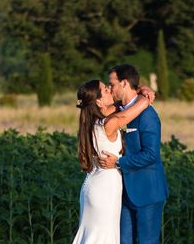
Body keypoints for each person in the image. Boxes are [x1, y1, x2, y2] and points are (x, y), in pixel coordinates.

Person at [72, 78, 155, 244]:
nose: (110, 90)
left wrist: (139, 88)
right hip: (104, 190)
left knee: (93, 237)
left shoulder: (91, 122)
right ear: (99, 101)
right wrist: (144, 94)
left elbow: (119, 105)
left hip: (92, 186)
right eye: (105, 90)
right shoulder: (109, 124)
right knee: (103, 237)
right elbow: (140, 105)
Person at [99, 64, 169, 244]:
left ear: (123, 83)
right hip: (122, 193)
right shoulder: (115, 109)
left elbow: (151, 154)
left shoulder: (147, 115)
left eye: (112, 84)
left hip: (148, 192)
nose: (110, 89)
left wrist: (118, 163)